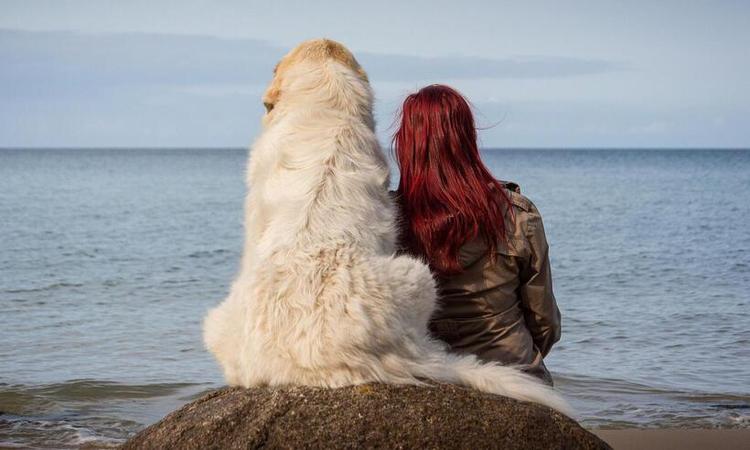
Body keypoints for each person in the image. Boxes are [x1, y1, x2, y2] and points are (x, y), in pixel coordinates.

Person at [392, 84, 561, 385]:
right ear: (467, 140)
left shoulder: (386, 220)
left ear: (407, 144)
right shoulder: (517, 214)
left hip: (429, 377)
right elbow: (545, 324)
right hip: (517, 377)